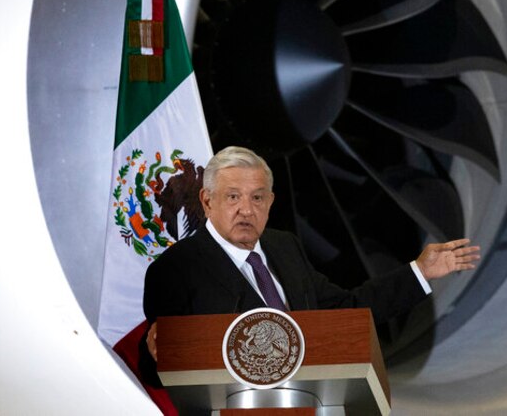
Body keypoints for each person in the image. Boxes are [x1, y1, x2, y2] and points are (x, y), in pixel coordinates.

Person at [141, 145, 480, 367]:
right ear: (207, 201)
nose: (246, 209)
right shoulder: (175, 269)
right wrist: (154, 353)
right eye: (233, 197)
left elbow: (344, 311)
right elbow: (159, 368)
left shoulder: (284, 247)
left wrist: (419, 271)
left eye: (257, 198)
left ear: (271, 203)